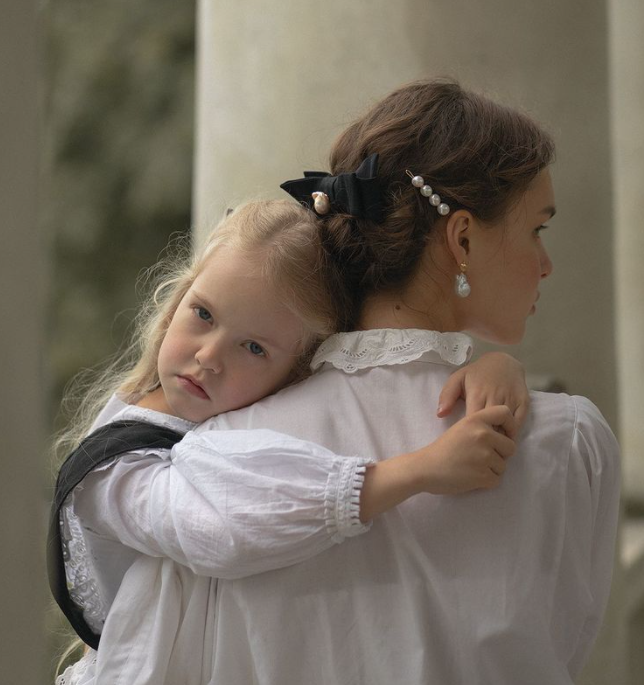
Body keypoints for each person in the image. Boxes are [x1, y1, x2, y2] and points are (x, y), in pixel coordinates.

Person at [74, 78, 616, 685]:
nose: (546, 264)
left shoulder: (214, 456)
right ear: (461, 238)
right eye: (537, 228)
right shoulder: (568, 443)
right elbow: (562, 652)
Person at [52, 195, 528, 684]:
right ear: (179, 299)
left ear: (298, 371)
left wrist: (497, 366)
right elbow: (215, 525)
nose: (210, 357)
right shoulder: (113, 471)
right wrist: (421, 469)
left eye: (254, 347)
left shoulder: (253, 412)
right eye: (203, 314)